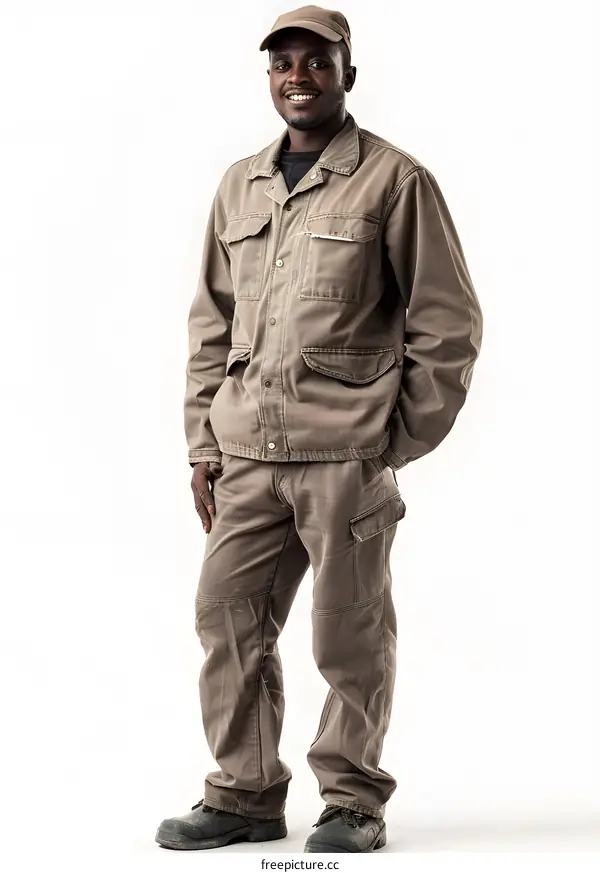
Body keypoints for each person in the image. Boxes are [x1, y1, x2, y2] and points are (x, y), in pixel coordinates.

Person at [155, 4, 483, 854]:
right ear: (268, 77)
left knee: (350, 631)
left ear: (347, 73)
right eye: (282, 64)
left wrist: (390, 438)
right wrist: (203, 445)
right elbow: (209, 326)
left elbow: (448, 324)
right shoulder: (239, 184)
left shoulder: (394, 181)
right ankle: (244, 793)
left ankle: (353, 798)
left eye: (316, 61)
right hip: (246, 457)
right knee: (226, 620)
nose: (297, 76)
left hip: (344, 457)